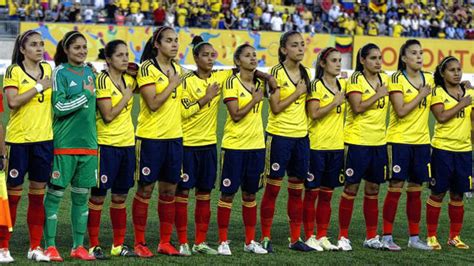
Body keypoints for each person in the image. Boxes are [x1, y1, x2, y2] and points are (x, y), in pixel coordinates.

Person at [174, 36, 231, 256]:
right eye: (205, 55)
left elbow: (243, 70)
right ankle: (182, 241)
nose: (210, 59)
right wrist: (206, 98)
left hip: (209, 146)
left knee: (205, 194)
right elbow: (183, 112)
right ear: (195, 58)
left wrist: (266, 76)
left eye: (212, 55)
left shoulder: (221, 77)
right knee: (183, 193)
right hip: (187, 146)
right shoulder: (186, 80)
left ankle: (200, 241)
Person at [43, 31, 97, 261]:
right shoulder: (60, 73)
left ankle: (78, 246)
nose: (82, 51)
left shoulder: (90, 72)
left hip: (89, 145)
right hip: (65, 144)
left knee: (81, 197)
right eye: (77, 48)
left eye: (84, 47)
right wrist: (85, 94)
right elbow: (59, 108)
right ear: (66, 50)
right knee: (54, 195)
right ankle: (51, 246)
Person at [0, 30, 53, 262]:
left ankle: (35, 247)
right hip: (18, 141)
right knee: (12, 197)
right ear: (22, 49)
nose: (39, 48)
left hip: (44, 141)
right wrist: (40, 87)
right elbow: (12, 102)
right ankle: (3, 248)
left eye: (41, 44)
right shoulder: (13, 71)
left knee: (37, 196)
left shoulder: (49, 70)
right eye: (33, 45)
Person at [260, 30, 313, 252]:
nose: (300, 48)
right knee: (272, 189)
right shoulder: (275, 73)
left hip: (301, 137)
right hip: (279, 136)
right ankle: (264, 237)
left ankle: (294, 239)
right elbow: (276, 107)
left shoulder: (306, 73)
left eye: (302, 44)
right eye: (294, 45)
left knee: (296, 189)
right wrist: (298, 92)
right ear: (283, 49)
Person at [132, 26, 184, 257]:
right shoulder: (147, 68)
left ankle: (164, 241)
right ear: (156, 44)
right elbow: (152, 103)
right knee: (145, 190)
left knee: (169, 191)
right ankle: (139, 242)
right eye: (169, 41)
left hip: (174, 138)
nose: (174, 44)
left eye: (176, 41)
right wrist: (173, 84)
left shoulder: (177, 69)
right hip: (151, 138)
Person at [86, 40, 137, 259]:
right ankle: (93, 245)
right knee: (98, 196)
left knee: (120, 197)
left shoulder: (129, 79)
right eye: (120, 55)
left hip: (127, 145)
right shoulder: (102, 81)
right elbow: (107, 116)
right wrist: (126, 97)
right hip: (105, 146)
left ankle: (118, 245)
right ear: (108, 59)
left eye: (127, 54)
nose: (125, 59)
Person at [382, 39, 433, 251]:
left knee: (415, 190)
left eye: (421, 52)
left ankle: (414, 238)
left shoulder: (430, 78)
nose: (419, 56)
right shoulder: (396, 79)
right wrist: (421, 95)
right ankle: (386, 237)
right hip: (399, 140)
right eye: (413, 53)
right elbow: (401, 110)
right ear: (403, 58)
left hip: (421, 142)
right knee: (395, 188)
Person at [337, 43, 389, 251]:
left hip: (379, 143)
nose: (378, 62)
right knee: (351, 188)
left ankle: (371, 236)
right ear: (362, 60)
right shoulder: (356, 80)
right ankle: (342, 236)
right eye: (373, 58)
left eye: (380, 58)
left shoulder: (385, 79)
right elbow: (357, 107)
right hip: (357, 142)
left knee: (373, 189)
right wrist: (378, 95)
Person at [216, 44, 267, 256]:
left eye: (254, 55)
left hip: (256, 146)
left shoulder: (261, 82)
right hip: (235, 146)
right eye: (247, 56)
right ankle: (222, 241)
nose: (253, 58)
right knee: (227, 195)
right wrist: (255, 100)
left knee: (250, 194)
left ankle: (249, 241)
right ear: (238, 61)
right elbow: (235, 114)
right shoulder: (231, 83)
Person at [426, 56, 472, 250]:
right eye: (452, 70)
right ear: (443, 73)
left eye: (459, 69)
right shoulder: (437, 92)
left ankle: (454, 236)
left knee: (458, 195)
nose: (456, 73)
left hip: (464, 151)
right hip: (442, 149)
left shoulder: (468, 91)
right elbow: (442, 116)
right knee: (437, 194)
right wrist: (463, 103)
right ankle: (431, 236)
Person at [303, 47, 345, 251]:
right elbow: (314, 114)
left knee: (328, 194)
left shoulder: (342, 85)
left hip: (336, 146)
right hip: (316, 146)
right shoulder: (316, 86)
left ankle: (322, 235)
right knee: (312, 193)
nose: (338, 63)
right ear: (322, 63)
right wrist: (335, 102)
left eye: (340, 60)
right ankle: (309, 235)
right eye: (334, 60)